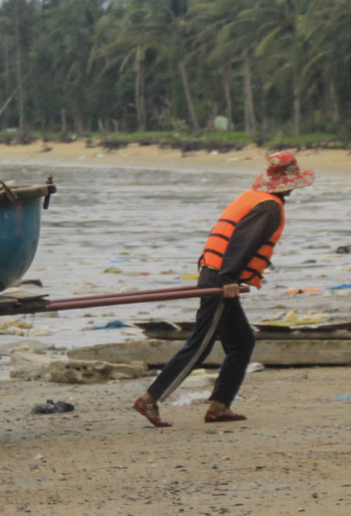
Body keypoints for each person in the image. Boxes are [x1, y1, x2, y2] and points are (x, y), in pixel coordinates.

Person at [132, 149, 314, 428]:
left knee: (242, 342)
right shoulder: (269, 207)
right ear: (289, 183)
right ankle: (150, 398)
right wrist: (230, 278)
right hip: (220, 279)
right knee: (200, 345)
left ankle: (219, 406)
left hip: (215, 274)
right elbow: (243, 242)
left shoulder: (254, 198)